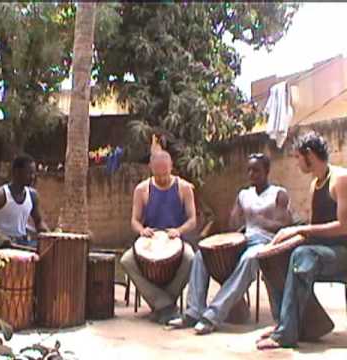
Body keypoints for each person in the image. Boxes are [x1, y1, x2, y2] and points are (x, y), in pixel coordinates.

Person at [168, 153, 292, 334]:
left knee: (249, 259)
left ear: (267, 171)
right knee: (201, 255)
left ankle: (212, 315)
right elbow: (233, 224)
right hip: (244, 239)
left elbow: (284, 224)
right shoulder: (244, 194)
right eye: (249, 170)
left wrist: (261, 221)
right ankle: (193, 312)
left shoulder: (278, 194)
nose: (251, 175)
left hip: (266, 242)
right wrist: (236, 215)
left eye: (256, 171)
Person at [257, 132, 347, 350]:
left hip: (342, 252)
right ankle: (284, 322)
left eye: (298, 157)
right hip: (325, 250)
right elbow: (315, 228)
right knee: (272, 257)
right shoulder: (315, 183)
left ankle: (285, 335)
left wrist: (302, 230)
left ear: (309, 155)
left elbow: (343, 226)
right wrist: (288, 235)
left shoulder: (340, 179)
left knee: (302, 256)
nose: (296, 162)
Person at [120, 149, 196, 324]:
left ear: (171, 167)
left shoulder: (184, 188)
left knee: (191, 258)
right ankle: (166, 306)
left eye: (165, 173)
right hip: (150, 241)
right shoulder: (142, 189)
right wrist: (141, 230)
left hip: (175, 240)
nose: (162, 178)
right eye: (158, 174)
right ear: (151, 169)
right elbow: (134, 220)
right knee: (126, 260)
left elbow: (192, 220)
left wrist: (180, 230)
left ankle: (162, 304)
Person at [0, 154, 49, 247]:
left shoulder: (32, 196)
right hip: (2, 244)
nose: (32, 177)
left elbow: (38, 222)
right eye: (29, 173)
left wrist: (51, 236)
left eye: (33, 173)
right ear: (17, 172)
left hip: (22, 242)